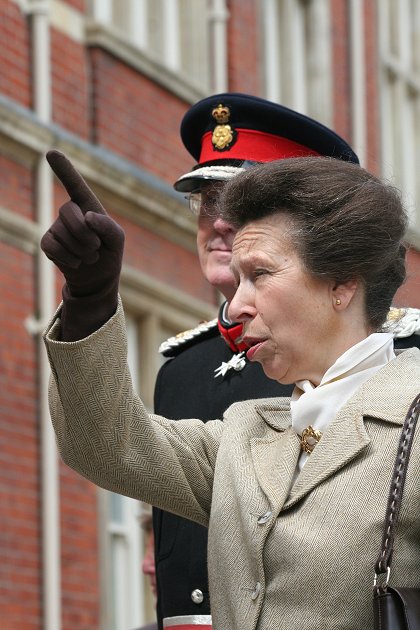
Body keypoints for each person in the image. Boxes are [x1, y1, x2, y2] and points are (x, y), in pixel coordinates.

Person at [41, 153, 419, 629]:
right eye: (238, 278)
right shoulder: (245, 435)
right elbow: (105, 444)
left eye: (259, 275)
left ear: (342, 283)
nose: (236, 305)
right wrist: (90, 298)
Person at [153, 94, 420, 627]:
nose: (222, 222)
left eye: (247, 203)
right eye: (209, 203)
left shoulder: (402, 362)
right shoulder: (182, 367)